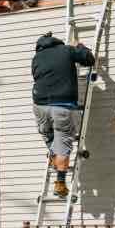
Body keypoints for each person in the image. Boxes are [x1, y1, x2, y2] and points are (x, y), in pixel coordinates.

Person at [32, 33, 96, 198]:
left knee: (51, 140)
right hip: (62, 105)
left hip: (40, 106)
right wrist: (79, 47)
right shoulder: (66, 50)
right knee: (63, 142)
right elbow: (89, 59)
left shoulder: (36, 58)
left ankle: (54, 157)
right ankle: (60, 183)